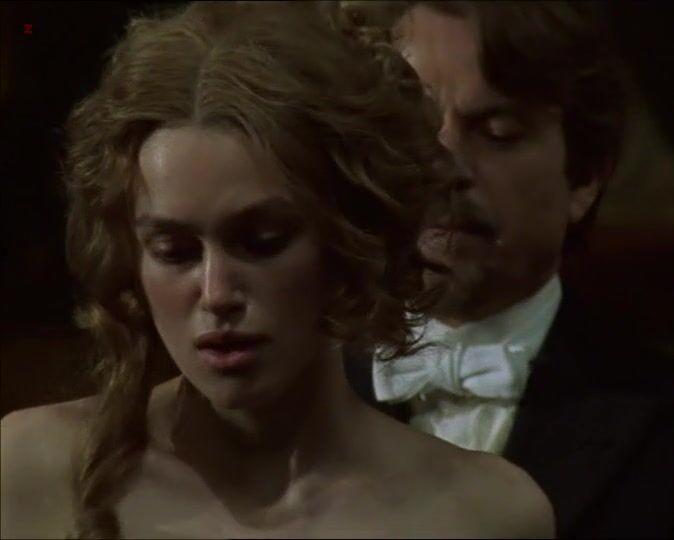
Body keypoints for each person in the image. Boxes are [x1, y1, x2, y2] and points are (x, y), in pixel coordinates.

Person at [0, 2, 555, 539]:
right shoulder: (28, 471)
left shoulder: (484, 514)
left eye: (262, 243)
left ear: (353, 239)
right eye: (174, 251)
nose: (216, 293)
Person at [342, 1, 674, 538]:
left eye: (497, 131)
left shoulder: (655, 420)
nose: (444, 165)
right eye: (412, 124)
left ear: (585, 177)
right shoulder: (285, 390)